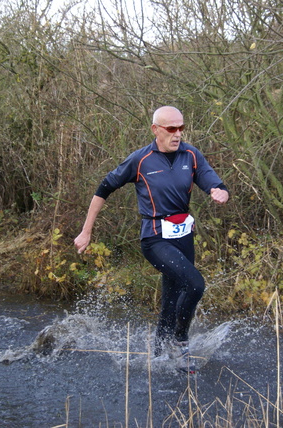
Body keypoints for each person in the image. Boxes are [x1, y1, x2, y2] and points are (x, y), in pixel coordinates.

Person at [74, 106, 229, 373]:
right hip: (155, 239)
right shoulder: (140, 159)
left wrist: (220, 191)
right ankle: (181, 346)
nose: (178, 134)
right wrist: (86, 231)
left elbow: (211, 180)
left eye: (181, 128)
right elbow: (103, 189)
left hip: (183, 237)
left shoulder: (191, 154)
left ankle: (157, 357)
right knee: (194, 284)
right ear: (155, 130)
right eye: (171, 129)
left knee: (172, 300)